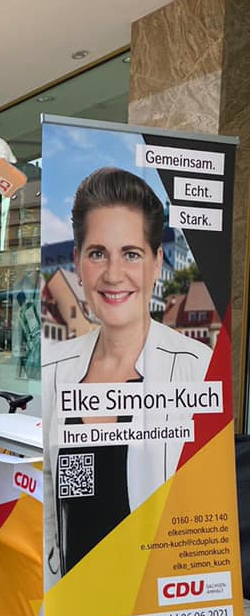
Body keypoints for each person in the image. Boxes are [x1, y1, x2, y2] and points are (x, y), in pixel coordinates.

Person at [42, 167, 212, 578]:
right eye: (97, 253)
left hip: (153, 602)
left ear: (156, 263)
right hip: (74, 598)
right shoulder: (54, 370)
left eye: (131, 254)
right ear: (78, 263)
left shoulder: (197, 367)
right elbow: (52, 496)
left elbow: (208, 505)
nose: (113, 273)